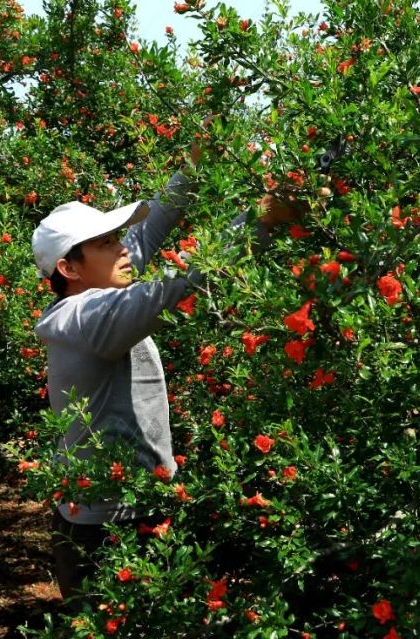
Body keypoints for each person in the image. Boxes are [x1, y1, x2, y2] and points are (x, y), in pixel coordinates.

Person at [30, 141, 298, 604]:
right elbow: (173, 287)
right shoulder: (87, 317)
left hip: (135, 506)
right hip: (109, 530)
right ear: (68, 267)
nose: (123, 249)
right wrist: (261, 219)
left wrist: (201, 152)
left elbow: (153, 227)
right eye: (106, 242)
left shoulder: (98, 290)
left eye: (116, 238)